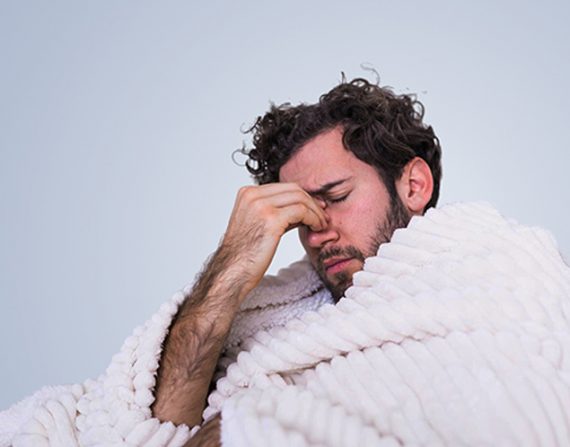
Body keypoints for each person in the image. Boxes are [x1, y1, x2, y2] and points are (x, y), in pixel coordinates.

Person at [150, 77, 442, 445]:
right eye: (302, 217)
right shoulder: (274, 328)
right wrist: (230, 264)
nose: (317, 234)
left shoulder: (490, 287)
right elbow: (157, 431)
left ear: (414, 186)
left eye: (337, 196)